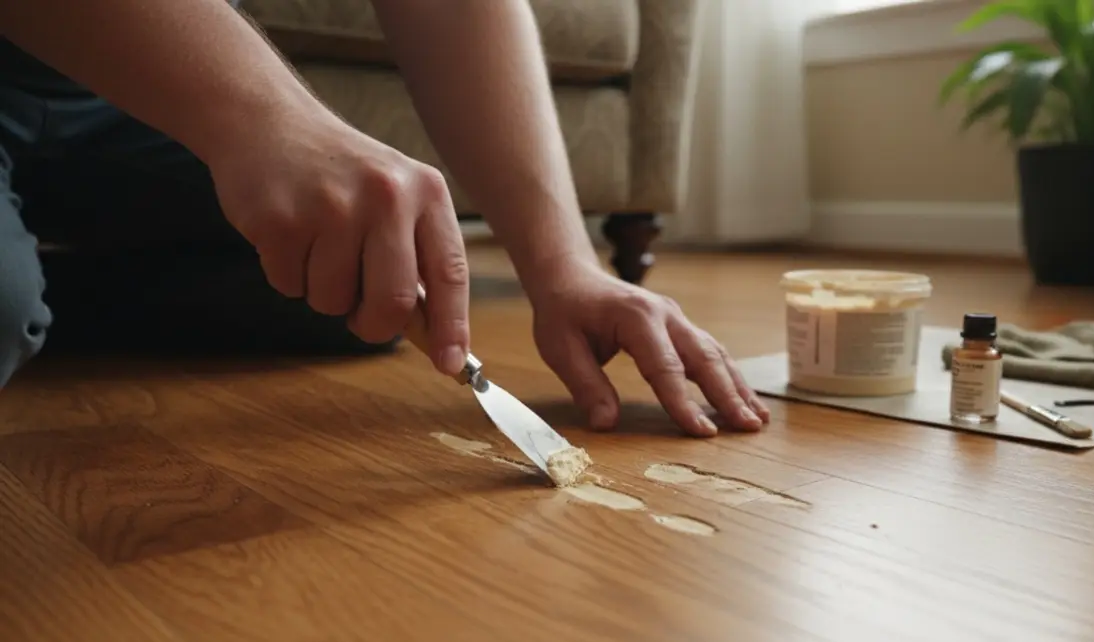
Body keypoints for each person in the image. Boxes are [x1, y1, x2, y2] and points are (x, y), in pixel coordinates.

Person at [0, 0, 771, 437]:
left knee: (365, 284)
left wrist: (564, 262)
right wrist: (264, 115)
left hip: (129, 95)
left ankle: (39, 290)